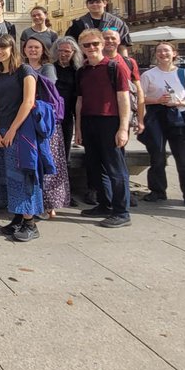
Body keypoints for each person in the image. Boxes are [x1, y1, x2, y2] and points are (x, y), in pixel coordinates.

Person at [75, 28, 132, 228]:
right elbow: (80, 101)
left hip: (110, 121)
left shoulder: (115, 67)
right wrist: (78, 128)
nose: (91, 48)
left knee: (116, 168)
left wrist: (123, 128)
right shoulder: (82, 71)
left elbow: (124, 98)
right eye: (87, 45)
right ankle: (104, 204)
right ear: (82, 48)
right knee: (95, 167)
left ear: (102, 44)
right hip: (89, 121)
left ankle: (122, 212)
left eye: (95, 44)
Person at [140, 43, 185, 210]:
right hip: (156, 117)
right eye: (159, 51)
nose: (163, 54)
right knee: (157, 157)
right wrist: (157, 100)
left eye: (166, 51)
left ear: (174, 53)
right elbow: (140, 98)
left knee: (184, 160)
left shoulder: (184, 73)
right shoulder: (148, 75)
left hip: (178, 118)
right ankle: (157, 191)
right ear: (155, 55)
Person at [0, 36, 40, 240]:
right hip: (1, 130)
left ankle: (31, 223)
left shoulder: (25, 71)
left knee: (22, 175)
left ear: (12, 49)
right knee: (9, 177)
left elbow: (28, 102)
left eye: (4, 47)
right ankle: (18, 218)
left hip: (21, 131)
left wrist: (12, 130)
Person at [22, 34, 70, 217]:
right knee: (34, 159)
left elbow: (45, 88)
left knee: (49, 158)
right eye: (29, 47)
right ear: (24, 50)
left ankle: (51, 204)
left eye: (36, 47)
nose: (33, 50)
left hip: (45, 119)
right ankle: (36, 201)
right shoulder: (22, 67)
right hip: (28, 118)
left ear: (43, 50)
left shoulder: (48, 67)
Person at [65, 0, 131, 47]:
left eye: (98, 2)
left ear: (105, 3)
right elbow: (71, 44)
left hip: (111, 57)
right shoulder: (78, 23)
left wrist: (124, 58)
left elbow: (123, 45)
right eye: (91, 3)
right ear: (87, 5)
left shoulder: (117, 23)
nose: (94, 4)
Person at [52, 37, 82, 160]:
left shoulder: (77, 71)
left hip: (67, 115)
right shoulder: (51, 68)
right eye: (60, 50)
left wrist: (78, 127)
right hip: (52, 116)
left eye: (67, 51)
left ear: (73, 52)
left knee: (65, 152)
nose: (63, 54)